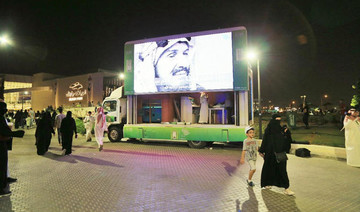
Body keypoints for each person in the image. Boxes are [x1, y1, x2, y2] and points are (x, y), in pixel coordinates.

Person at [258, 114, 294, 196]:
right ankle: (267, 183)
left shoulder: (282, 130)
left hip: (280, 153)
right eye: (276, 120)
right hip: (270, 154)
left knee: (282, 171)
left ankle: (286, 188)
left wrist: (286, 133)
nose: (277, 122)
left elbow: (287, 141)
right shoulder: (269, 130)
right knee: (269, 169)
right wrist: (262, 151)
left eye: (279, 120)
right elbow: (265, 141)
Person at [0, 101, 24, 196]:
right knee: (1, 165)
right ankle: (1, 188)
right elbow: (3, 131)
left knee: (3, 165)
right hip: (1, 144)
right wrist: (16, 133)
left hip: (3, 144)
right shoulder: (0, 118)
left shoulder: (2, 118)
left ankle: (4, 180)